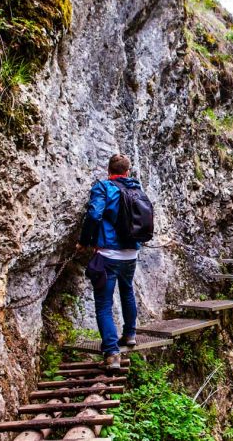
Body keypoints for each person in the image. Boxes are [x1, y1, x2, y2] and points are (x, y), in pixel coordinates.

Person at [77, 154, 143, 370]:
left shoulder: (103, 187)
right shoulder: (136, 189)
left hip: (107, 254)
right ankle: (130, 334)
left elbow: (95, 214)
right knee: (127, 291)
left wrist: (84, 241)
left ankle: (112, 353)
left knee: (104, 304)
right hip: (131, 254)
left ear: (109, 170)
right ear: (127, 171)